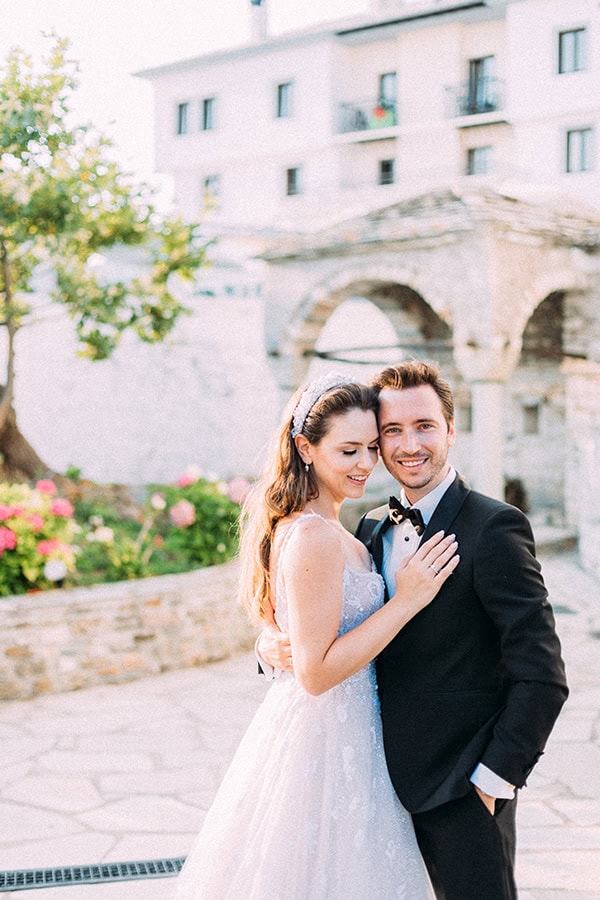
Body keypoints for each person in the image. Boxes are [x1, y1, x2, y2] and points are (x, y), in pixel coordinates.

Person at [259, 360, 569, 900]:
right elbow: (332, 627)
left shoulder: (494, 527)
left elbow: (543, 676)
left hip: (461, 791)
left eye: (424, 426)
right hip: (372, 784)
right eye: (391, 432)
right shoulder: (369, 526)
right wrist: (269, 646)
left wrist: (493, 781)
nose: (408, 445)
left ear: (450, 430)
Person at [171, 373, 459, 899]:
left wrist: (268, 643)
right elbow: (316, 673)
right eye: (348, 449)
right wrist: (407, 601)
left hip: (360, 735)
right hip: (325, 743)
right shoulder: (312, 536)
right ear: (306, 447)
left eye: (372, 447)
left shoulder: (344, 531)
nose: (366, 463)